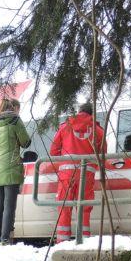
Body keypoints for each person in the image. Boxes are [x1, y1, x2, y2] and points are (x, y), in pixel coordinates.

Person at [50, 101, 106, 243]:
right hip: (87, 174)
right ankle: (83, 240)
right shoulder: (98, 130)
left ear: (79, 111)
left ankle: (62, 242)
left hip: (66, 174)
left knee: (65, 207)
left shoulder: (65, 127)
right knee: (84, 207)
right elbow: (103, 154)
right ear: (92, 114)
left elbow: (54, 151)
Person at [0, 98, 30, 245]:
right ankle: (4, 239)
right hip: (12, 169)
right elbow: (26, 142)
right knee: (9, 206)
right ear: (12, 108)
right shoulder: (15, 121)